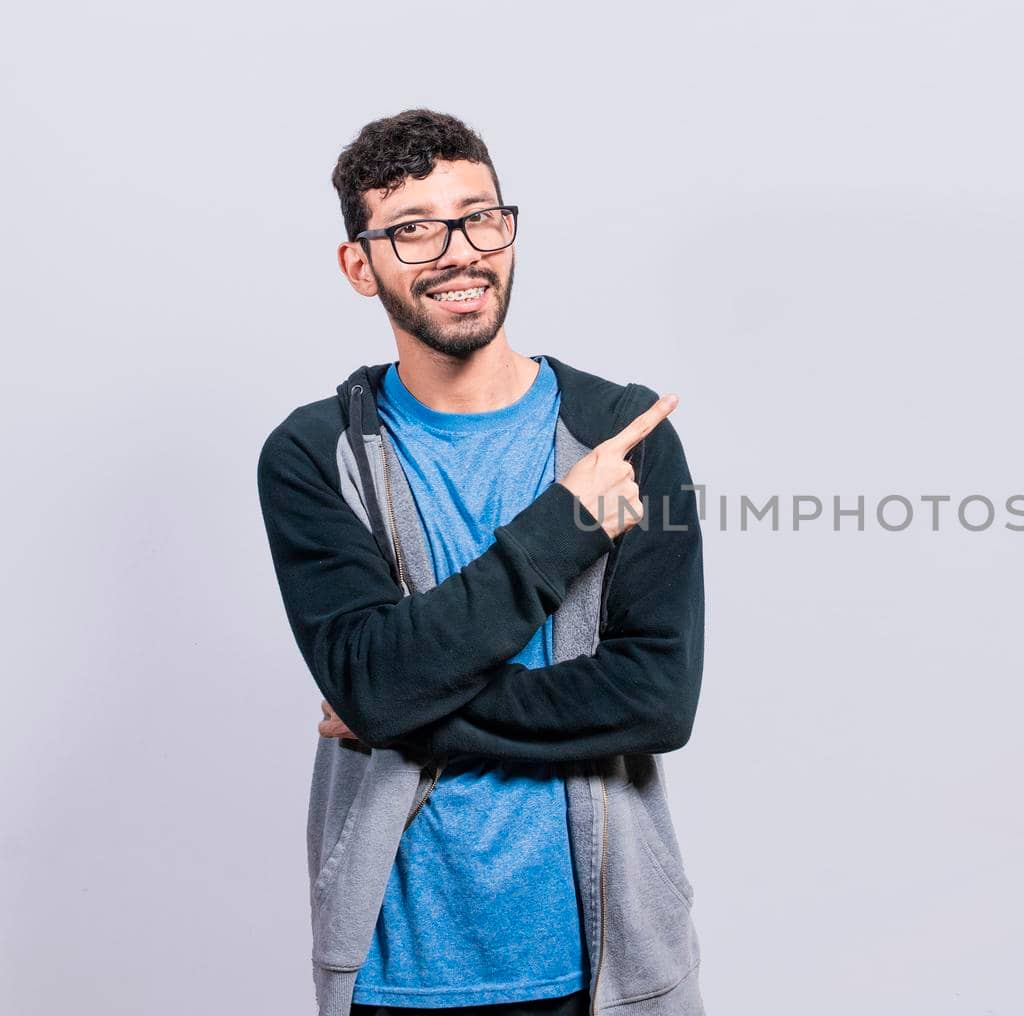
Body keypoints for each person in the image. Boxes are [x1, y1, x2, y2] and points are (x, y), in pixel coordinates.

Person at [255, 109, 707, 1016]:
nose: (459, 250)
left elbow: (655, 700)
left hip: (609, 962)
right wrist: (564, 525)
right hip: (399, 968)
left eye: (480, 217)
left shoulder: (628, 439)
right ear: (360, 264)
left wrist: (400, 711)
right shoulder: (313, 456)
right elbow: (376, 679)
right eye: (414, 228)